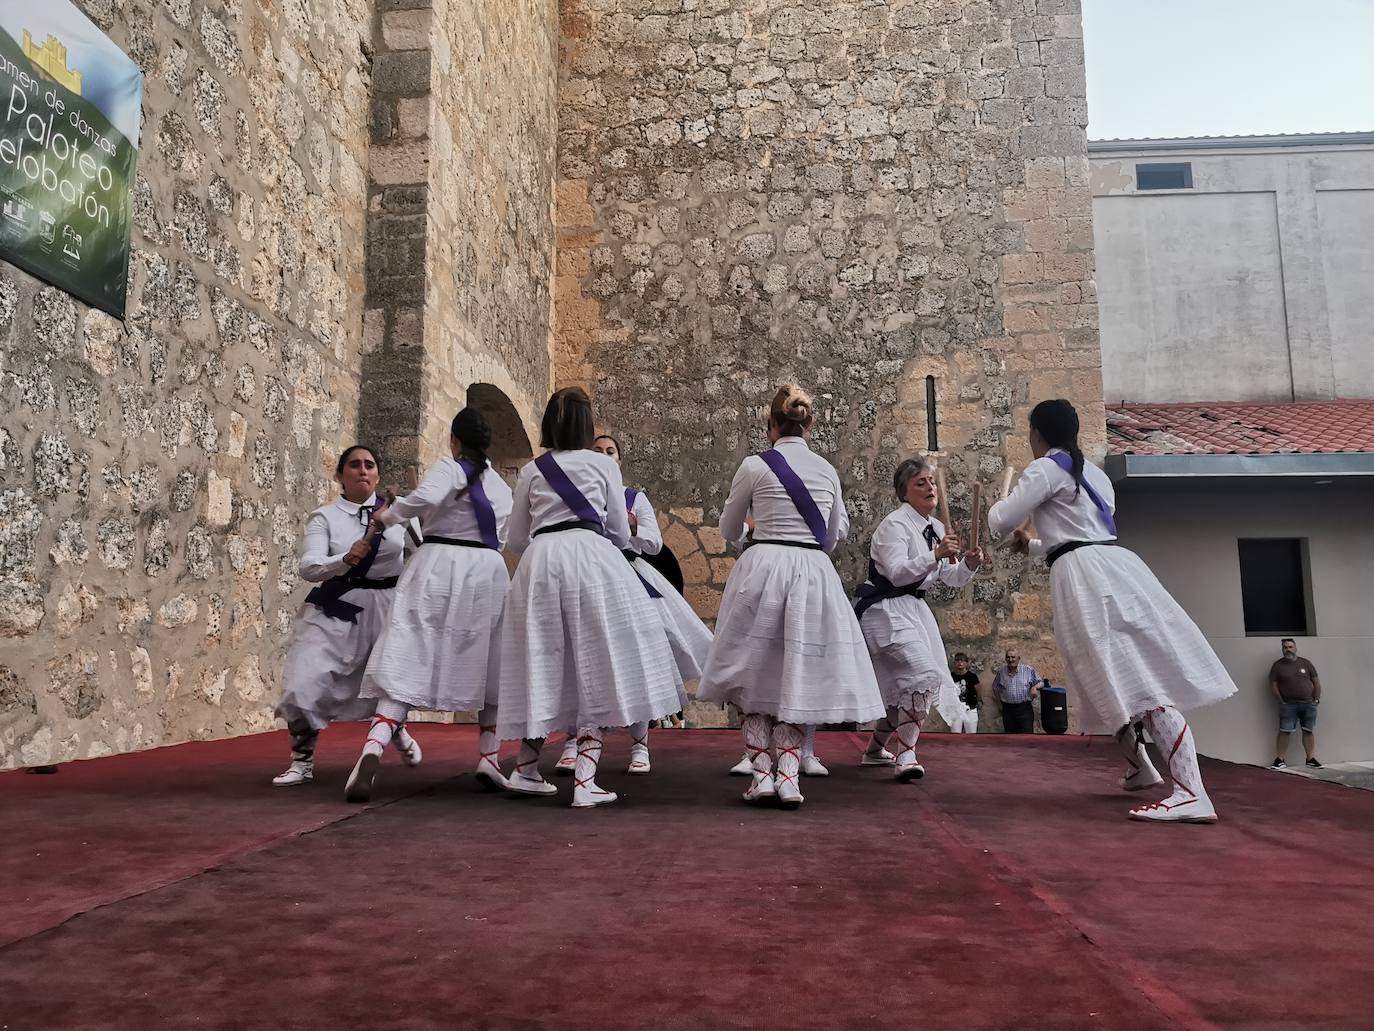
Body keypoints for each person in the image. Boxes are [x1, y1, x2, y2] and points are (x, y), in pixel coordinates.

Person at [989, 398, 1237, 823]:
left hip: (1088, 579)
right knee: (1103, 675)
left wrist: (1003, 508)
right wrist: (1031, 544)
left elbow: (1001, 518)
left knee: (1138, 679)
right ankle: (1141, 766)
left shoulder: (1047, 468)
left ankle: (1191, 791)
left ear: (1037, 434)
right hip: (1108, 566)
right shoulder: (1096, 476)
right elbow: (1076, 535)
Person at [697, 384, 884, 809]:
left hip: (762, 567)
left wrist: (753, 525)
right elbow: (835, 535)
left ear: (771, 427)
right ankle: (789, 777)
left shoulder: (753, 466)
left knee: (753, 675)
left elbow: (729, 530)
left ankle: (761, 775)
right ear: (810, 424)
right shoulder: (827, 470)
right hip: (812, 573)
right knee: (797, 674)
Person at [494, 387, 683, 808]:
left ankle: (525, 768)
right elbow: (618, 531)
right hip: (592, 559)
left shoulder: (531, 470)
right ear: (586, 424)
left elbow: (516, 537)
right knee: (599, 663)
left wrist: (546, 548)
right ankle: (584, 780)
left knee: (541, 662)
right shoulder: (602, 465)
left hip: (540, 563)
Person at [343, 409, 515, 803]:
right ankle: (489, 757)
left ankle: (374, 745)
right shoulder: (502, 487)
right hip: (486, 570)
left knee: (411, 651)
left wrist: (388, 517)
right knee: (489, 660)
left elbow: (424, 498)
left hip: (438, 564)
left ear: (454, 440)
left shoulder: (448, 469)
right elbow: (503, 537)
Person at [549, 432, 708, 777]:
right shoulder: (577, 494)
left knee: (639, 658)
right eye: (598, 450)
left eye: (611, 451)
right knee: (581, 656)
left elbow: (653, 543)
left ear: (619, 460)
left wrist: (631, 524)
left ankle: (639, 744)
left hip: (628, 572)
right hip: (589, 574)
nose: (605, 455)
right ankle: (572, 742)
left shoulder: (634, 498)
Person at [272, 445, 418, 787]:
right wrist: (344, 560)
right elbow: (308, 567)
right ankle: (302, 760)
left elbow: (420, 554)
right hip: (337, 605)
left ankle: (394, 728)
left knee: (389, 680)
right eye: (354, 465)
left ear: (378, 475)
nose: (363, 471)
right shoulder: (325, 517)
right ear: (340, 476)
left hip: (387, 607)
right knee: (302, 681)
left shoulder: (397, 514)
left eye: (369, 465)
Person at [852, 457, 984, 780]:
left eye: (932, 481)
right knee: (923, 674)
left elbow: (949, 577)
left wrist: (969, 564)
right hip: (884, 609)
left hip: (914, 611)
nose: (930, 487)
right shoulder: (893, 526)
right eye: (920, 482)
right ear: (904, 492)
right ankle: (907, 755)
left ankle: (874, 750)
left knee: (905, 690)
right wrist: (935, 554)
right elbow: (897, 573)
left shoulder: (937, 528)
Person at [1268, 638, 1322, 769]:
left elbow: (1316, 681)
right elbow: (1273, 684)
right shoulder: (1277, 666)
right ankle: (1280, 760)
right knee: (1284, 731)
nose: (1288, 650)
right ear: (1282, 649)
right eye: (1285, 647)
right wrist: (1281, 700)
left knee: (1308, 731)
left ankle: (1310, 759)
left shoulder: (1306, 663)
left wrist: (1316, 699)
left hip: (1308, 704)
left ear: (1295, 648)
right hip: (1288, 705)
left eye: (1290, 647)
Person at [992, 649, 1042, 734]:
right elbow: (995, 687)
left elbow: (1041, 682)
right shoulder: (1001, 672)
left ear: (1018, 658)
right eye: (1008, 657)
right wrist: (999, 704)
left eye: (1013, 657)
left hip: (1024, 709)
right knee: (1010, 738)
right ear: (1005, 659)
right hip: (1008, 710)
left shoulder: (1028, 670)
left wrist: (1035, 687)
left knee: (1027, 738)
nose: (1010, 660)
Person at [949, 653, 980, 734]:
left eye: (962, 660)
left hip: (970, 708)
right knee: (955, 734)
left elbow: (978, 690)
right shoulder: (950, 676)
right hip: (955, 709)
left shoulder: (972, 676)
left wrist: (977, 701)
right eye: (957, 660)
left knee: (971, 734)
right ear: (954, 663)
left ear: (966, 663)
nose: (960, 663)